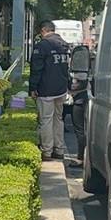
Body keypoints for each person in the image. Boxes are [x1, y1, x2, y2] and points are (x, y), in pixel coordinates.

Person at [29, 20, 72, 161]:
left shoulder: (42, 46)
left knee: (46, 119)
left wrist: (33, 88)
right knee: (58, 119)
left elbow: (36, 69)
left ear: (43, 31)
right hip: (61, 89)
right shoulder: (64, 45)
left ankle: (46, 151)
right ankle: (59, 149)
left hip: (46, 89)